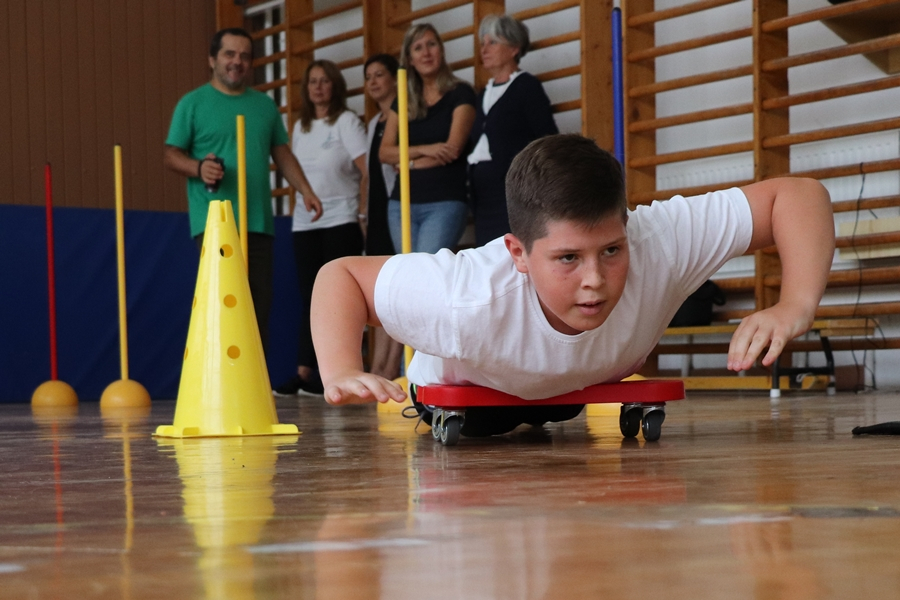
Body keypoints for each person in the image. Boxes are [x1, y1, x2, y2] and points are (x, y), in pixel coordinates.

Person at [309, 134, 835, 437]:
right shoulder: (463, 295)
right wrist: (339, 369)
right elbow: (341, 276)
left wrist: (795, 304)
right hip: (474, 399)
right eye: (566, 258)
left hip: (577, 389)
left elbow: (799, 196)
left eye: (611, 250)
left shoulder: (660, 240)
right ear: (518, 253)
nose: (595, 281)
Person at [164, 28, 322, 353]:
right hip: (215, 224)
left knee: (258, 306)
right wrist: (198, 168)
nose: (237, 62)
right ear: (212, 59)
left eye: (244, 56)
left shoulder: (264, 106)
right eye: (229, 54)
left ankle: (252, 387)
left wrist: (306, 190)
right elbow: (171, 154)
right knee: (221, 305)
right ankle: (219, 384)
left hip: (259, 223)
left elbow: (282, 153)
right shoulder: (191, 103)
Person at [274, 60, 367, 396]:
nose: (318, 87)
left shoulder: (346, 122)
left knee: (339, 299)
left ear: (335, 86)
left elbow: (366, 170)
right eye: (312, 81)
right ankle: (304, 372)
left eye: (325, 81)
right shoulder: (300, 127)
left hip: (341, 219)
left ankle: (340, 372)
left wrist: (363, 213)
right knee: (308, 296)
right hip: (305, 223)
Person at [379, 24, 476, 254]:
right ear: (410, 59)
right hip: (400, 203)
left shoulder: (461, 92)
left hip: (444, 201)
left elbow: (451, 150)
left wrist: (408, 162)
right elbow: (384, 153)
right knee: (408, 277)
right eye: (418, 48)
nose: (426, 53)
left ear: (441, 51)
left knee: (428, 272)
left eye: (432, 44)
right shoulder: (403, 99)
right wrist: (428, 149)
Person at [468, 14, 558, 246]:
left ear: (514, 48)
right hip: (483, 198)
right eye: (483, 43)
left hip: (511, 194)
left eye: (493, 42)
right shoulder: (483, 94)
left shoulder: (527, 87)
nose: (484, 50)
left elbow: (547, 138)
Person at [363, 54, 404, 380]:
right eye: (369, 77)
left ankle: (391, 366)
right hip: (376, 211)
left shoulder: (403, 114)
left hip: (398, 206)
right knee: (378, 290)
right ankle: (377, 365)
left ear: (394, 78)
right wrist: (363, 212)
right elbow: (368, 174)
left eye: (380, 75)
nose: (374, 81)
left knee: (397, 286)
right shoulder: (374, 123)